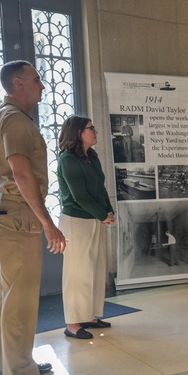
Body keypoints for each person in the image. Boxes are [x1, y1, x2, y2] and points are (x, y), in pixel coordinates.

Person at [0, 60, 66, 375]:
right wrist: (47, 223)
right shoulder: (15, 119)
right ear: (18, 84)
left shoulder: (5, 116)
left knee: (11, 294)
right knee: (19, 296)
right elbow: (21, 175)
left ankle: (14, 364)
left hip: (13, 214)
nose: (43, 85)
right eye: (36, 79)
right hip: (20, 215)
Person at [57, 116, 115, 340]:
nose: (96, 131)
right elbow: (79, 196)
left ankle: (88, 316)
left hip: (94, 219)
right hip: (76, 222)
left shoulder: (91, 156)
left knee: (95, 268)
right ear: (78, 133)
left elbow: (99, 188)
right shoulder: (67, 159)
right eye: (91, 128)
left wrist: (108, 211)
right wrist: (102, 214)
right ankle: (72, 323)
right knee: (77, 272)